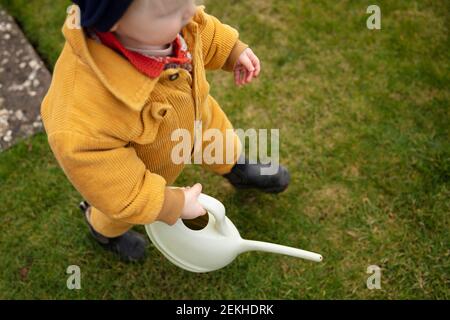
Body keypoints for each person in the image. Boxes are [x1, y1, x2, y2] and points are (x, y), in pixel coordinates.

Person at [41, 0, 290, 262]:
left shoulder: (171, 21)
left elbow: (200, 30)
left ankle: (236, 168)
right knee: (116, 212)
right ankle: (104, 231)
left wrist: (231, 50)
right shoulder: (82, 112)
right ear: (112, 21)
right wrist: (174, 204)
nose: (191, 12)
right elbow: (116, 187)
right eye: (172, 12)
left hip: (196, 117)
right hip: (146, 165)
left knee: (219, 140)